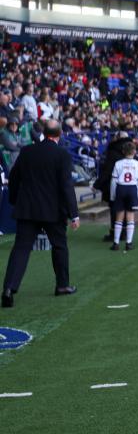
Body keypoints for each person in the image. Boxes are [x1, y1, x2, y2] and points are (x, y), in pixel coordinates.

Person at [1, 120, 80, 308]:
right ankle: (62, 285)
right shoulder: (62, 154)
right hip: (53, 210)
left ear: (44, 132)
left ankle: (9, 288)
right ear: (59, 134)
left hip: (28, 208)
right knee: (59, 246)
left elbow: (14, 178)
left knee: (21, 249)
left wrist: (15, 200)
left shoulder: (27, 151)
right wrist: (74, 214)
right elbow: (66, 186)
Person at [109, 141, 138, 252]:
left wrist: (113, 196)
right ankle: (129, 243)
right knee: (130, 217)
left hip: (121, 188)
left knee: (119, 217)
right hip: (132, 189)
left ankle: (116, 243)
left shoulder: (118, 163)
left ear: (123, 151)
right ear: (134, 151)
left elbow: (113, 181)